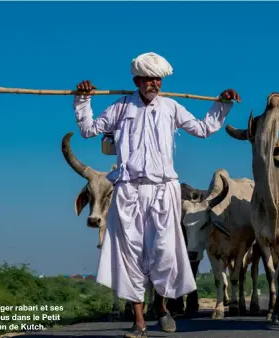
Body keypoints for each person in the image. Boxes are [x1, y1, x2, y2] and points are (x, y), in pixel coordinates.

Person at [73, 51, 241, 337]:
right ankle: (139, 321)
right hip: (128, 191)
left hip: (164, 191)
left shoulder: (171, 107)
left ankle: (161, 307)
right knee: (131, 255)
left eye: (158, 79)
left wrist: (221, 105)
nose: (154, 84)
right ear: (137, 80)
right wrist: (83, 98)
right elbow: (88, 130)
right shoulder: (120, 108)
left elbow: (202, 129)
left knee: (163, 252)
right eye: (148, 78)